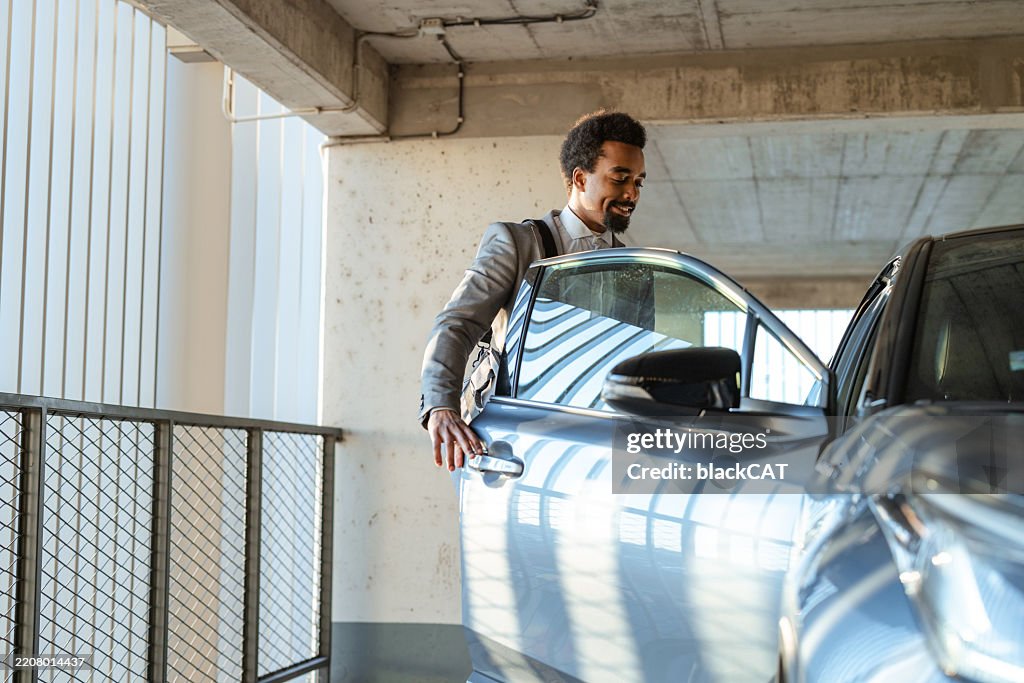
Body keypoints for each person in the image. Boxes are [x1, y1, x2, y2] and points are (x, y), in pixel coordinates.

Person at [420, 110, 648, 471]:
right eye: (620, 179)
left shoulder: (637, 267)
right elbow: (457, 324)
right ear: (580, 178)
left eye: (638, 181)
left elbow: (635, 361)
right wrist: (440, 406)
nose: (632, 193)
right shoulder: (515, 242)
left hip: (595, 446)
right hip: (515, 443)